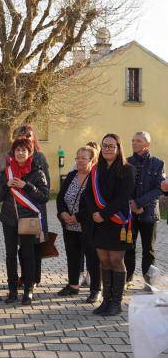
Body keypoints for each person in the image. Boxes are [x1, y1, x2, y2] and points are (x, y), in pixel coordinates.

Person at [0, 138, 49, 305]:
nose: (20, 153)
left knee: (28, 255)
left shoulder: (37, 172)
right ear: (13, 152)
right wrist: (5, 186)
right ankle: (12, 291)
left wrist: (27, 186)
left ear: (29, 152)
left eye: (24, 150)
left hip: (28, 220)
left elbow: (45, 196)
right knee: (10, 255)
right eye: (17, 150)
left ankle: (28, 291)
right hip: (9, 219)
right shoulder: (6, 172)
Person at [85, 133, 135, 316]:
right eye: (105, 145)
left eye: (111, 146)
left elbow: (123, 198)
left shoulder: (127, 169)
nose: (107, 149)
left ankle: (116, 302)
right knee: (104, 260)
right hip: (99, 222)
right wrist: (94, 213)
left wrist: (103, 214)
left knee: (116, 260)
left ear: (118, 148)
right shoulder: (96, 169)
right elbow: (88, 194)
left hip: (117, 221)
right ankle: (106, 300)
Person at [56, 146, 101, 303]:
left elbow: (95, 204)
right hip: (69, 225)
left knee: (92, 257)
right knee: (73, 256)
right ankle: (73, 285)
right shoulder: (71, 175)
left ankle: (95, 289)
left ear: (93, 160)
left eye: (84, 158)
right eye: (77, 157)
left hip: (88, 225)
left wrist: (77, 217)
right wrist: (63, 214)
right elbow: (60, 198)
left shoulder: (95, 178)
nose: (80, 160)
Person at [124, 132, 164, 290]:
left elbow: (159, 189)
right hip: (129, 213)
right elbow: (123, 188)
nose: (134, 143)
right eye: (133, 140)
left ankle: (149, 282)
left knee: (149, 250)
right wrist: (131, 204)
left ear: (147, 145)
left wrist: (140, 203)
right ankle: (127, 279)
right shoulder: (126, 162)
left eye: (138, 141)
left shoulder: (158, 163)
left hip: (149, 214)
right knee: (128, 246)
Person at [13, 124, 49, 288]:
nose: (25, 138)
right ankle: (25, 275)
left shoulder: (39, 157)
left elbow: (44, 188)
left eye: (28, 135)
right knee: (22, 247)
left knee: (35, 246)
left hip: (34, 208)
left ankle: (34, 278)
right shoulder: (13, 155)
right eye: (22, 135)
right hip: (16, 210)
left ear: (33, 138)